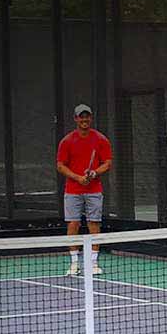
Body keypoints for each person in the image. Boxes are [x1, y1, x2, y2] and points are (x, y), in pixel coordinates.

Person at [57, 104, 113, 276]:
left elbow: (107, 163)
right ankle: (74, 264)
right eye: (81, 117)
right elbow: (60, 165)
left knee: (93, 224)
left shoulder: (101, 140)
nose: (84, 119)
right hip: (73, 190)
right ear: (75, 119)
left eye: (87, 116)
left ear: (91, 118)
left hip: (94, 189)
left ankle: (93, 263)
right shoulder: (67, 141)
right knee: (73, 224)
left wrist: (94, 172)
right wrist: (77, 177)